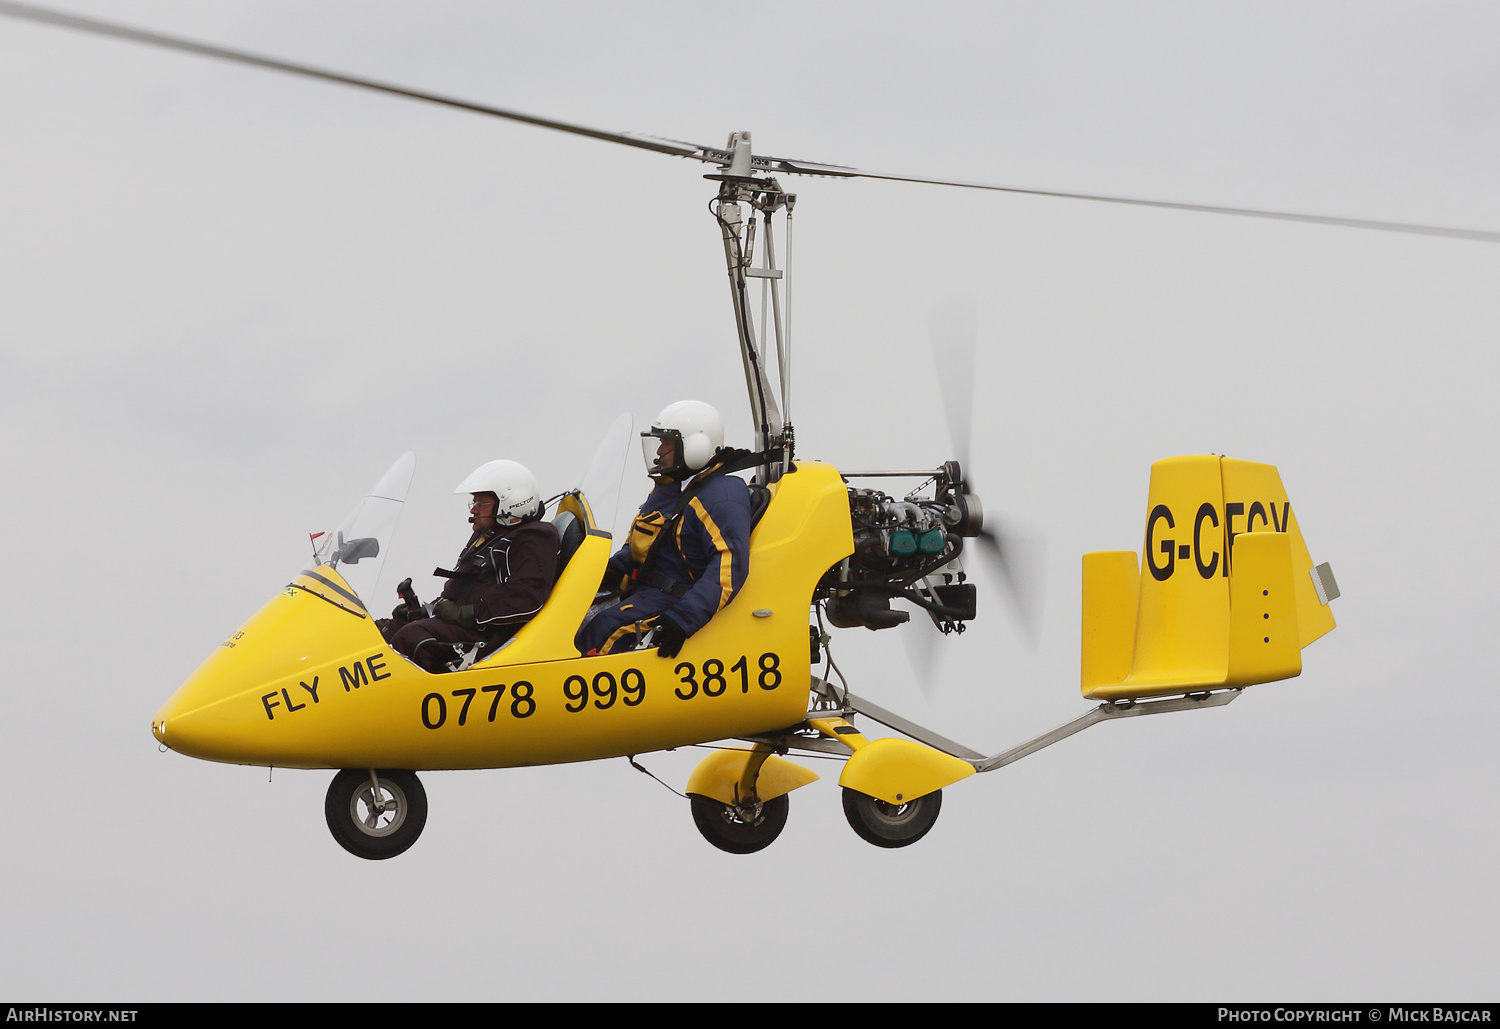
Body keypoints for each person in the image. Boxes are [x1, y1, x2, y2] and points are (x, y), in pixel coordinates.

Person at [575, 400, 753, 659]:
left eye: (666, 443)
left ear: (695, 446)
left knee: (603, 629)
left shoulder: (721, 495)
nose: (658, 451)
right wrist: (603, 573)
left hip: (676, 600)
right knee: (573, 618)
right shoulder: (670, 487)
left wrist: (682, 619)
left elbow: (728, 568)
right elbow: (641, 545)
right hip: (645, 591)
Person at [380, 460, 560, 673]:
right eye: (474, 502)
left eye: (481, 503)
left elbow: (525, 600)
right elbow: (467, 588)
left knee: (411, 638)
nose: (473, 509)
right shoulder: (489, 535)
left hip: (486, 636)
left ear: (511, 503)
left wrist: (465, 614)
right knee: (380, 631)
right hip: (463, 627)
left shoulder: (534, 538)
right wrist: (423, 611)